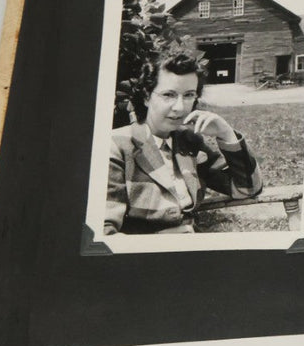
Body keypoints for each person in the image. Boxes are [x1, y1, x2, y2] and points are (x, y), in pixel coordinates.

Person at [104, 52, 263, 234]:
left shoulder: (189, 142)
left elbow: (247, 189)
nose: (179, 107)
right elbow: (104, 234)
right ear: (147, 97)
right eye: (168, 95)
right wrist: (160, 240)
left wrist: (226, 134)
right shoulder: (116, 146)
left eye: (188, 95)